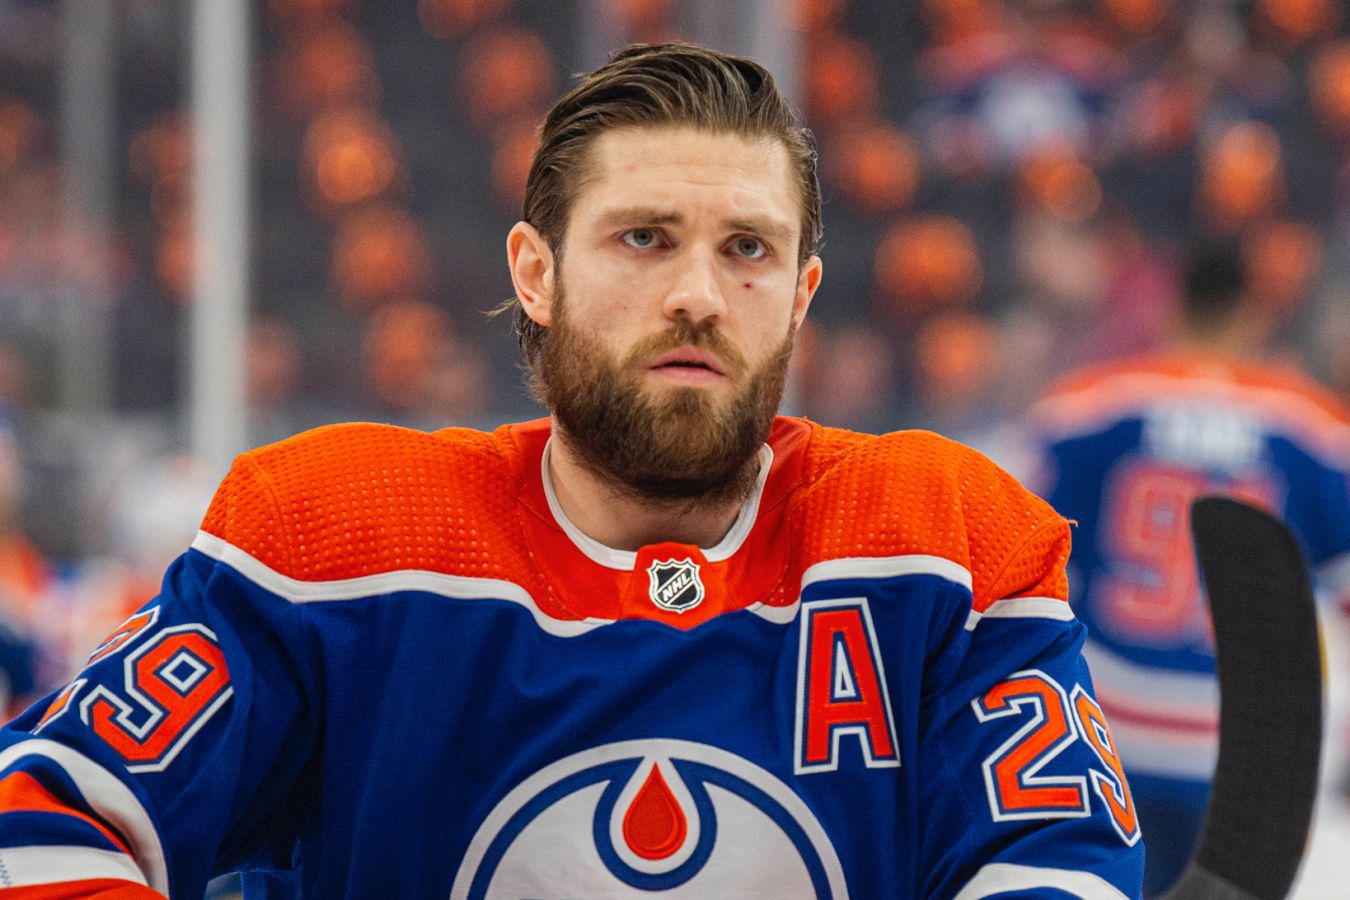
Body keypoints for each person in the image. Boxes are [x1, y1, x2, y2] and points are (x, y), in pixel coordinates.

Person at [0, 43, 1143, 898]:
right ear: (535, 274)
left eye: (747, 249)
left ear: (800, 296)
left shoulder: (943, 546)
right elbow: (45, 821)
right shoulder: (335, 541)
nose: (697, 294)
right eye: (644, 237)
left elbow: (1059, 869)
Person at [1026, 238, 1350, 896]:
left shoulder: (1088, 405)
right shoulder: (1310, 425)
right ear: (1254, 314)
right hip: (1239, 741)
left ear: (1173, 307)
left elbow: (1020, 558)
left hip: (1104, 721)